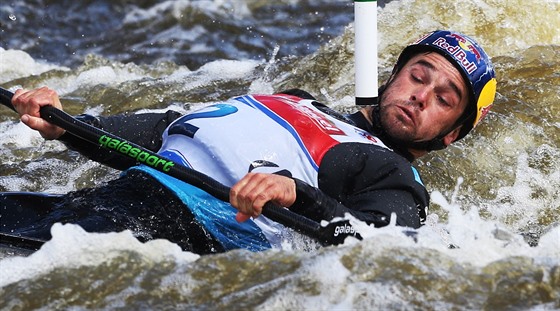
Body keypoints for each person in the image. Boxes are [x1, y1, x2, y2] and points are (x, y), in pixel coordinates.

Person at [9, 30, 497, 254]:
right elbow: (168, 127)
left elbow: (384, 248)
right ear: (394, 74)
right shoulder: (298, 100)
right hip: (114, 199)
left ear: (450, 133)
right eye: (419, 75)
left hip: (176, 226)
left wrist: (296, 195)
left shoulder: (391, 171)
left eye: (444, 98)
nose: (420, 96)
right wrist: (68, 125)